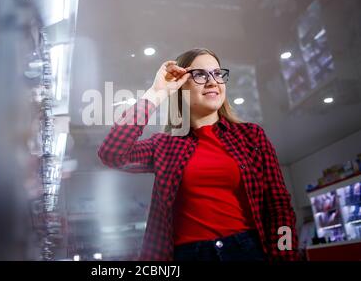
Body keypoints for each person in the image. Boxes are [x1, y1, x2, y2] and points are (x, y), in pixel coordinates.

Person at [98, 48, 299, 261]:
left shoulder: (251, 136)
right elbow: (112, 154)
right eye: (200, 75)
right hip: (187, 255)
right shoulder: (165, 145)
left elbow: (279, 206)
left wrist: (285, 255)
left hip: (246, 251)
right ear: (181, 85)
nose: (212, 81)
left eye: (218, 74)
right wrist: (156, 94)